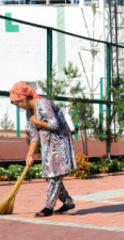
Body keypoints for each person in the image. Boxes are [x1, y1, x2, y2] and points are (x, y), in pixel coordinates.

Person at [9, 82, 77, 218]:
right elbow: (34, 136)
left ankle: (49, 206)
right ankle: (67, 201)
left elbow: (55, 124)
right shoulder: (29, 112)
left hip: (59, 140)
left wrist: (37, 122)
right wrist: (29, 155)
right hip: (47, 144)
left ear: (24, 97)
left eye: (18, 103)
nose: (19, 107)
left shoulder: (43, 103)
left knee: (55, 174)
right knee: (48, 175)